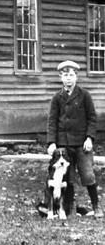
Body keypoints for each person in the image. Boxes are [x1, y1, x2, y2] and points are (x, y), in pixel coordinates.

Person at [46, 60, 102, 218]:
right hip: (64, 146)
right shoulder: (57, 98)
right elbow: (52, 121)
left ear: (76, 77)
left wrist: (89, 138)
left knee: (88, 174)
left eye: (71, 75)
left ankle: (96, 206)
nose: (68, 78)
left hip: (82, 144)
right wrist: (51, 143)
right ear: (60, 77)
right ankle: (69, 208)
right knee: (67, 178)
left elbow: (92, 118)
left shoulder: (84, 95)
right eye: (65, 75)